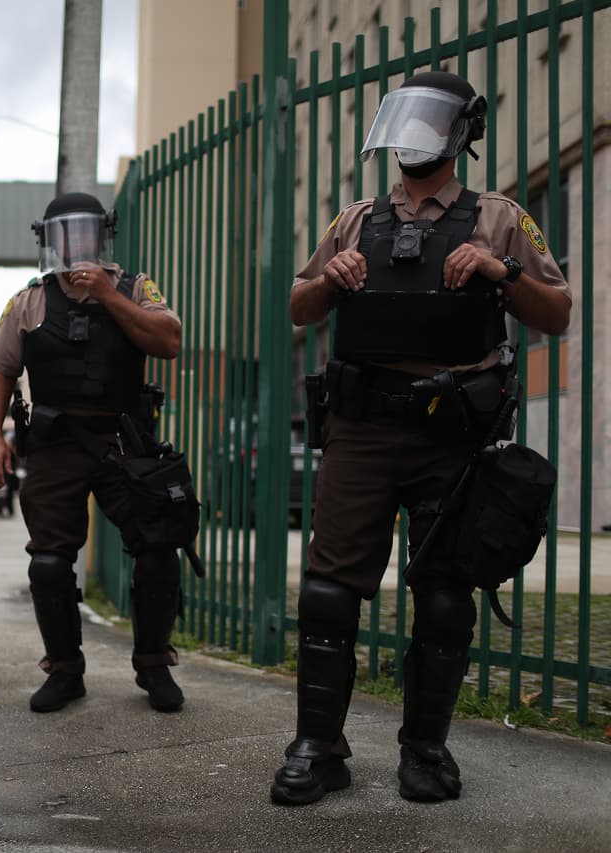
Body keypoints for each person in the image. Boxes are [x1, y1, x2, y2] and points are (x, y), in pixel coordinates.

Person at [272, 71, 571, 806]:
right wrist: (332, 279)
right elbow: (298, 306)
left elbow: (557, 312)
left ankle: (426, 750)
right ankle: (319, 746)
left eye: (428, 121)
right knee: (329, 591)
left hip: (451, 435)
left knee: (443, 595)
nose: (411, 136)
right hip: (364, 429)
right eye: (404, 120)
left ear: (459, 133)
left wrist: (501, 273)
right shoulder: (355, 218)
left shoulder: (497, 216)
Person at [0, 191, 185, 714]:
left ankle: (154, 665)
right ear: (49, 242)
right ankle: (65, 671)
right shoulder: (30, 300)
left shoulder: (136, 287)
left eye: (86, 233)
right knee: (49, 563)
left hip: (123, 444)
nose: (76, 245)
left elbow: (169, 340)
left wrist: (109, 296)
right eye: (64, 235)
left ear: (102, 235)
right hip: (54, 446)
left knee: (158, 550)